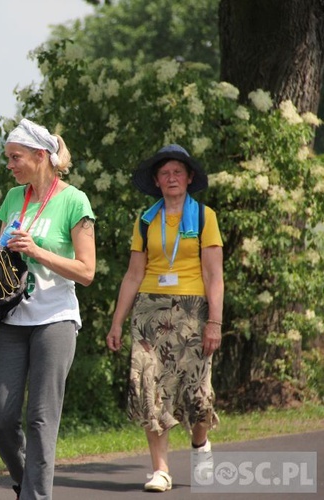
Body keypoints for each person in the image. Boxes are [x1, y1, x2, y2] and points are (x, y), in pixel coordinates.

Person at [0, 118, 96, 499]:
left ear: (40, 155)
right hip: (11, 318)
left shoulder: (74, 199)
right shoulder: (15, 197)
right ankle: (25, 482)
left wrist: (38, 251)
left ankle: (36, 495)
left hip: (55, 319)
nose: (10, 164)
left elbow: (86, 271)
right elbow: (6, 250)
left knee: (41, 418)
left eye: (16, 157)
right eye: (9, 158)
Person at [106, 144, 224, 492]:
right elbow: (132, 275)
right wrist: (116, 322)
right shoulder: (146, 220)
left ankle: (201, 445)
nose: (171, 178)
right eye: (165, 173)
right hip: (149, 311)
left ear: (189, 178)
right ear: (157, 181)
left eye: (178, 172)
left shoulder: (205, 217)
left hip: (193, 310)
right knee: (149, 387)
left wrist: (214, 322)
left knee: (199, 395)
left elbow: (215, 275)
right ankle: (161, 470)